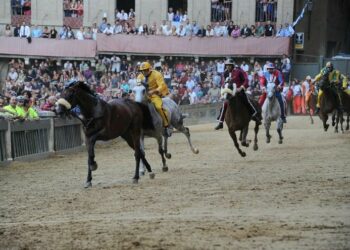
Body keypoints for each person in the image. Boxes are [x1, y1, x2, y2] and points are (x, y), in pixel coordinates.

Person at [214, 60, 260, 130]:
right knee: (225, 104)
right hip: (229, 93)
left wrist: (241, 87)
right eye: (227, 65)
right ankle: (220, 122)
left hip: (239, 91)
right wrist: (223, 91)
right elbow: (223, 83)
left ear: (232, 65)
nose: (228, 67)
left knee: (247, 101)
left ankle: (254, 116)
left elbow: (246, 80)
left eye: (229, 65)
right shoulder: (225, 73)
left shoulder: (239, 71)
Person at [137, 61, 171, 136]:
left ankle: (166, 126)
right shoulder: (140, 76)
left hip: (155, 94)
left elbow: (161, 86)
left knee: (159, 107)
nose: (144, 72)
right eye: (142, 70)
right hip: (144, 94)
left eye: (145, 70)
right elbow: (138, 86)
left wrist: (153, 91)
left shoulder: (157, 74)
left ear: (149, 69)